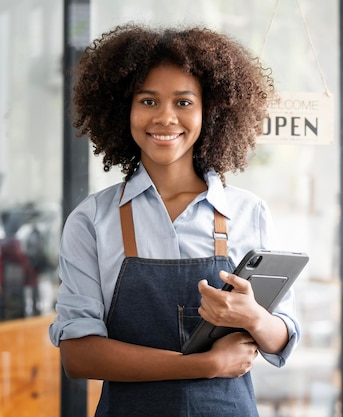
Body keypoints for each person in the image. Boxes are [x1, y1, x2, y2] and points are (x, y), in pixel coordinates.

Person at [48, 23, 301, 416]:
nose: (166, 118)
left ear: (209, 112)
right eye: (148, 101)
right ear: (123, 109)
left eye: (183, 102)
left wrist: (253, 317)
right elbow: (79, 356)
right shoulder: (92, 221)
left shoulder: (248, 212)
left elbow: (283, 335)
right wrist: (204, 365)